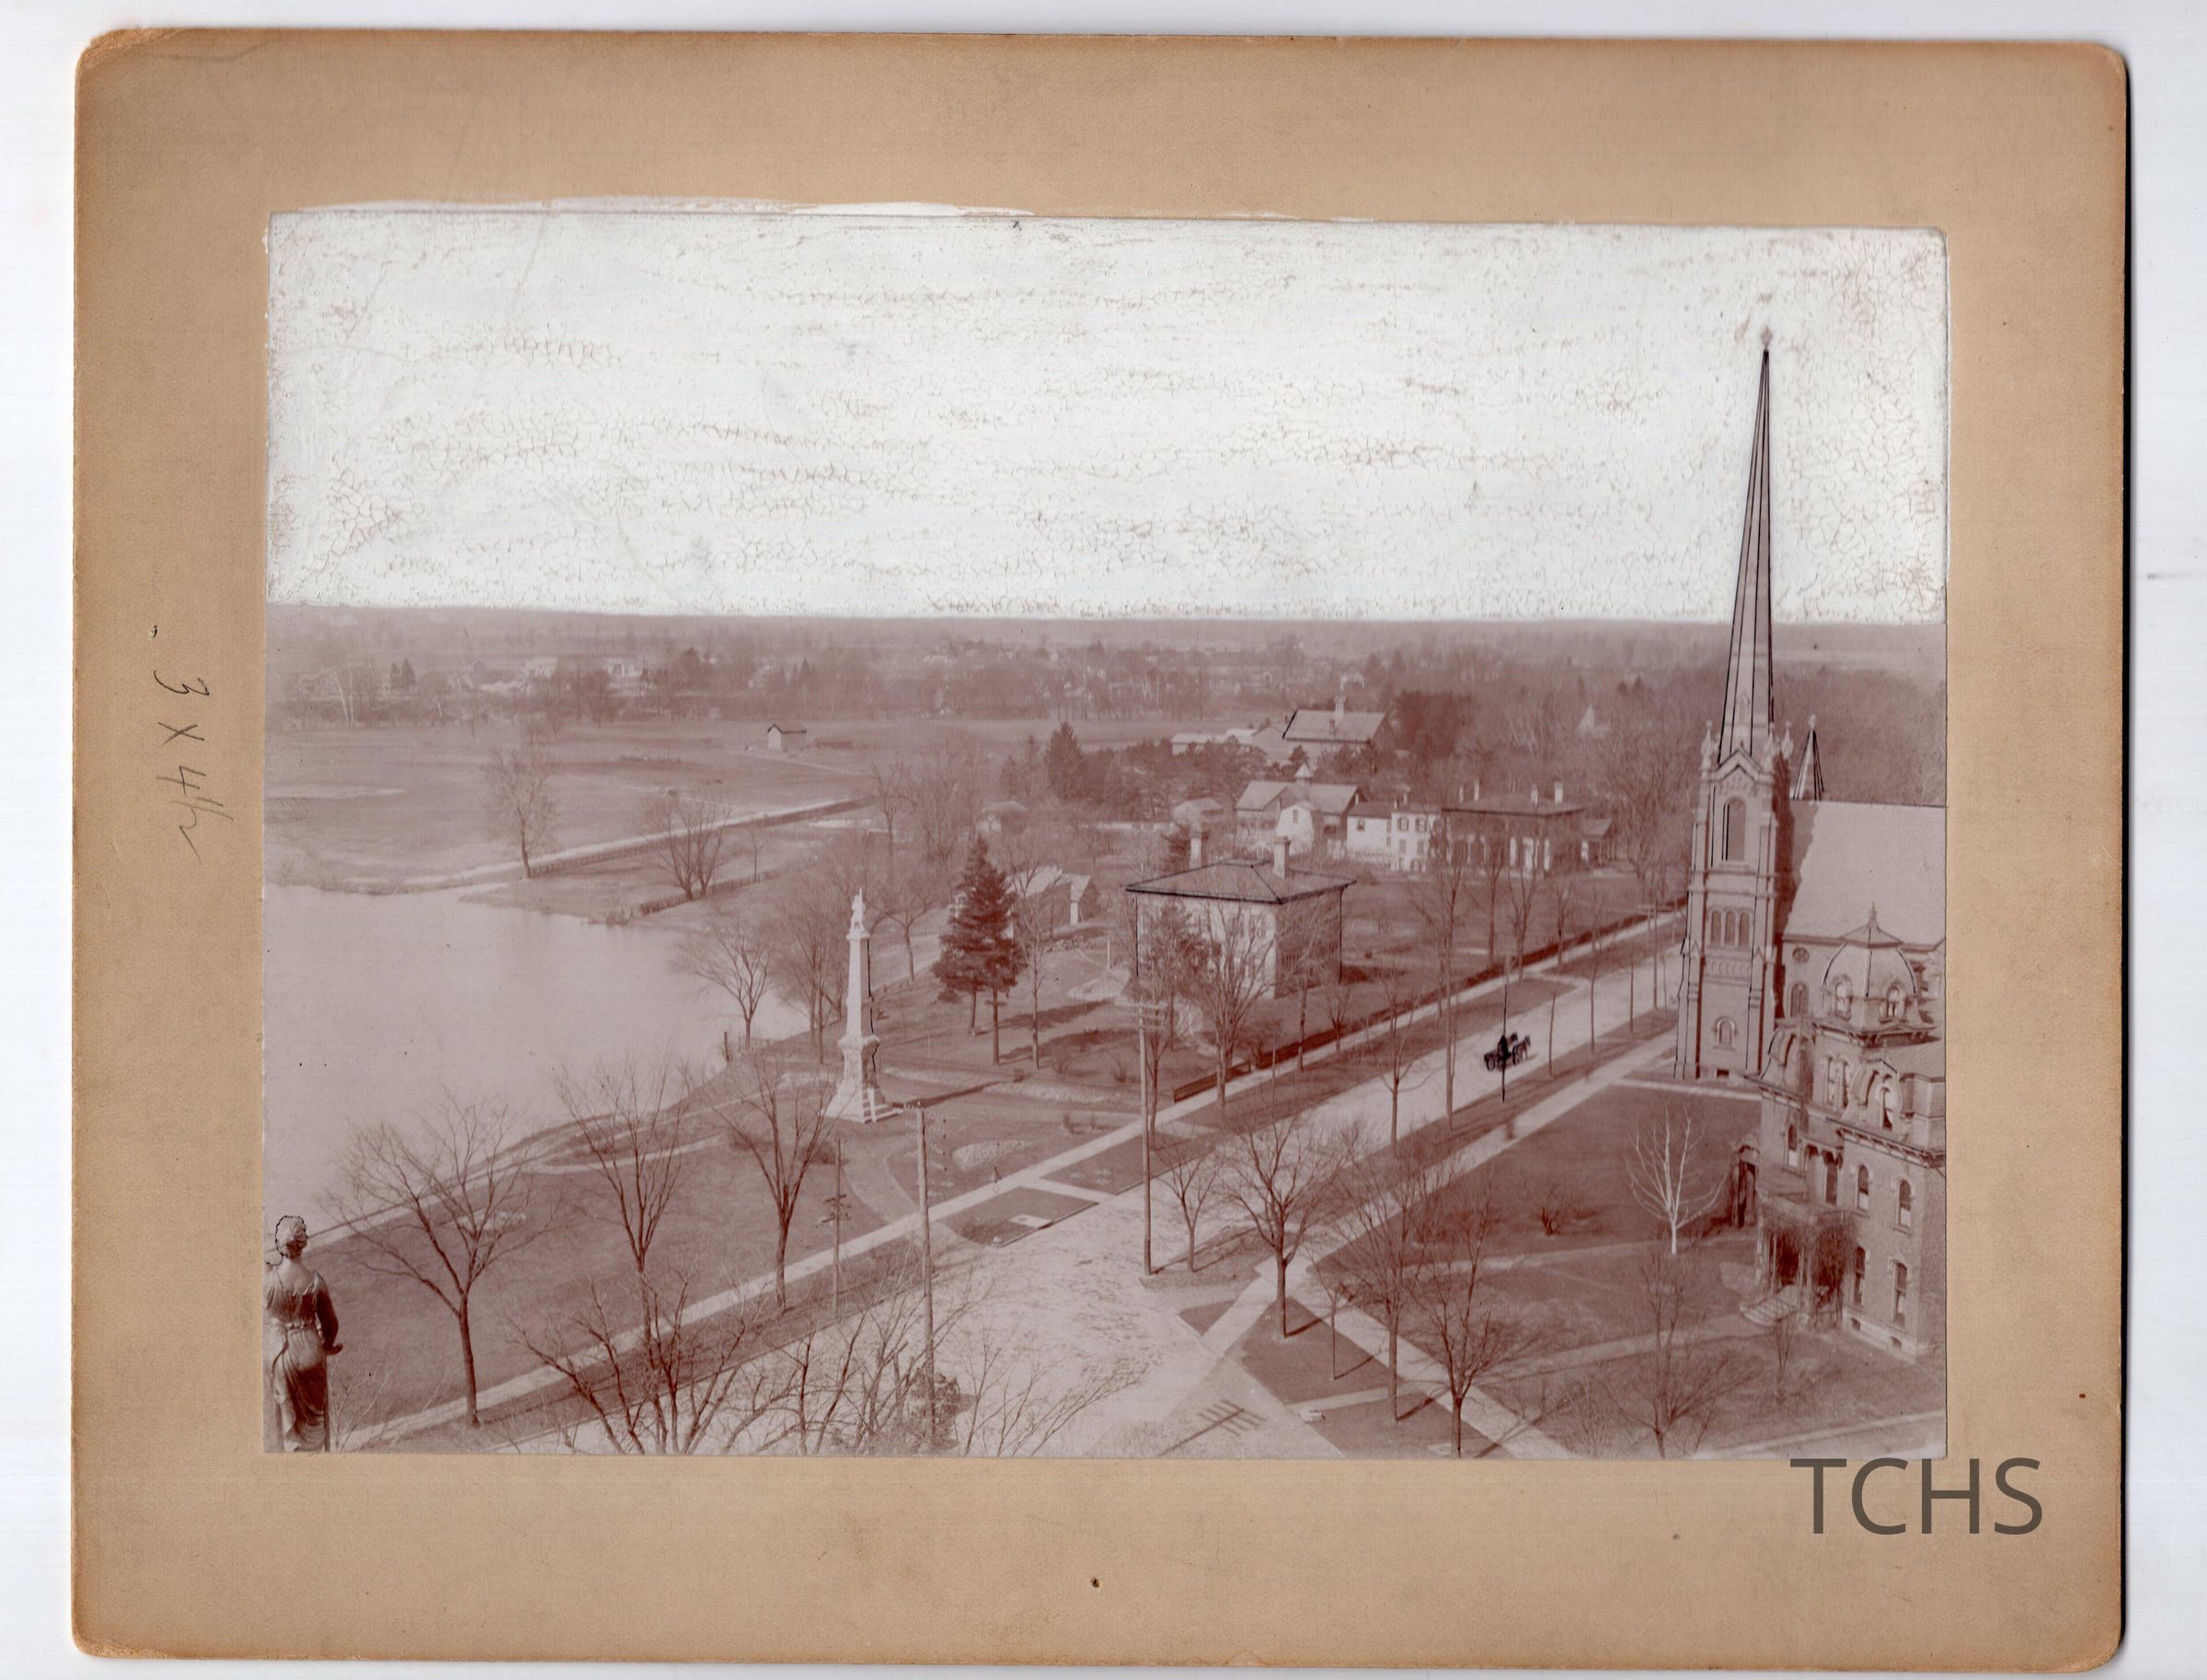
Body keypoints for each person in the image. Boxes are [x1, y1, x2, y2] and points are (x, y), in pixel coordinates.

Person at [264, 1214, 341, 1451]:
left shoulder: (267, 1279)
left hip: (280, 1354)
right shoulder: (316, 1282)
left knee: (285, 1430)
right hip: (311, 1351)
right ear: (303, 1242)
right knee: (315, 1427)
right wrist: (326, 1345)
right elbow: (331, 1324)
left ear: (279, 1244)